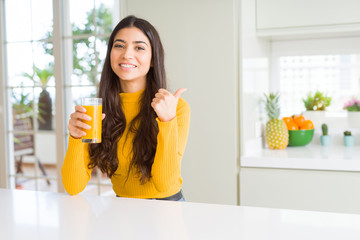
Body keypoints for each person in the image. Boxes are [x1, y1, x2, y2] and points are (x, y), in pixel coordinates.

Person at [61, 15, 191, 201]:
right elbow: (73, 187)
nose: (127, 54)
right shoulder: (97, 110)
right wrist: (75, 137)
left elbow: (165, 184)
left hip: (166, 208)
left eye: (139, 47)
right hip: (122, 207)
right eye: (119, 45)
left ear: (153, 59)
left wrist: (167, 122)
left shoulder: (176, 109)